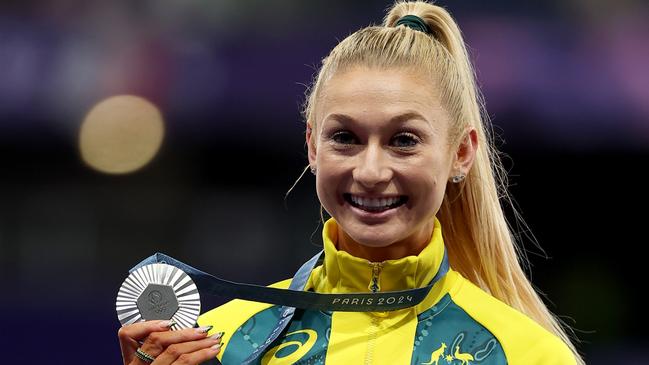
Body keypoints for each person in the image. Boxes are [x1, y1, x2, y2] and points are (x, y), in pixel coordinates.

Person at [118, 1, 584, 364]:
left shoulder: (528, 356)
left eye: (403, 140)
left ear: (460, 152)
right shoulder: (221, 343)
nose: (371, 171)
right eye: (345, 137)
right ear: (312, 147)